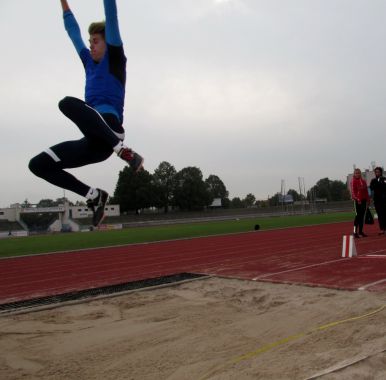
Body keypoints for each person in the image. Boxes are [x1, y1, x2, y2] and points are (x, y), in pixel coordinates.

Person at [29, 0, 143, 227]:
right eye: (90, 42)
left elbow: (111, 15)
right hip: (96, 142)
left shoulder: (115, 57)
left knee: (66, 103)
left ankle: (123, 151)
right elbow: (73, 32)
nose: (91, 45)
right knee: (38, 165)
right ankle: (94, 196)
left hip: (111, 129)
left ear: (107, 42)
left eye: (95, 41)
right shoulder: (88, 62)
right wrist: (63, 4)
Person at [350, 168, 370, 238]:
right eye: (356, 173)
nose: (357, 174)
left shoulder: (364, 181)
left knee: (362, 217)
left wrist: (368, 200)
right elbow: (353, 193)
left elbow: (366, 192)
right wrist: (358, 199)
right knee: (357, 216)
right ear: (354, 174)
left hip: (364, 200)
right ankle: (355, 232)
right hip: (357, 201)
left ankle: (361, 232)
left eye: (358, 173)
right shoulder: (353, 181)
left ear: (360, 174)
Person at [369, 167, 386, 235]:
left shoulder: (384, 179)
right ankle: (382, 229)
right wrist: (377, 183)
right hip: (377, 200)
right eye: (376, 172)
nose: (377, 173)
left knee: (385, 214)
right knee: (380, 215)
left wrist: (380, 183)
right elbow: (371, 187)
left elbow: (385, 186)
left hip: (384, 199)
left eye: (378, 172)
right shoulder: (373, 180)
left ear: (381, 172)